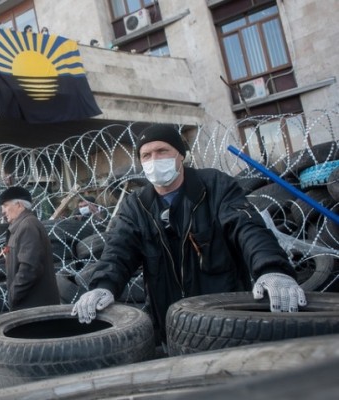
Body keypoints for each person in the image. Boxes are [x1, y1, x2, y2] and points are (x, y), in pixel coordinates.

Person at [71, 125, 306, 343]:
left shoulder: (215, 186)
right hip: (171, 325)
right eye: (146, 155)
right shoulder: (136, 205)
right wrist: (103, 285)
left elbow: (246, 227)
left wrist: (272, 269)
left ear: (181, 155)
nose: (154, 160)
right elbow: (119, 248)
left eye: (162, 151)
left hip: (228, 319)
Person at [0, 187, 60, 310]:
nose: (3, 211)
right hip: (29, 304)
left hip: (35, 306)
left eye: (5, 206)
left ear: (19, 205)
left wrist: (13, 295)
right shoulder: (20, 226)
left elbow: (30, 268)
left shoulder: (27, 226)